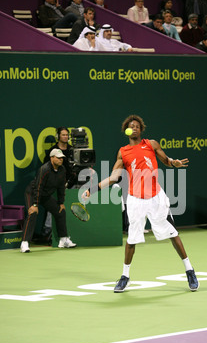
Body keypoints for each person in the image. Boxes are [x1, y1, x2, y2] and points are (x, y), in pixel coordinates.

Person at [82, 115, 199, 293]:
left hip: (156, 197)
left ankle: (189, 270)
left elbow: (166, 160)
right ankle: (125, 277)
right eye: (131, 126)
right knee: (132, 239)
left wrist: (173, 163)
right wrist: (93, 189)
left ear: (141, 129)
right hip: (136, 200)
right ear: (126, 130)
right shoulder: (123, 152)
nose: (134, 128)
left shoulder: (151, 144)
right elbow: (114, 177)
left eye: (137, 126)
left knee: (172, 234)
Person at [20, 148, 76, 253]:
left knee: (60, 211)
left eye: (62, 158)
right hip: (32, 193)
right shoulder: (44, 169)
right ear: (52, 158)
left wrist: (61, 202)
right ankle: (25, 243)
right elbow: (38, 187)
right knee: (32, 213)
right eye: (58, 158)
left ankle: (63, 239)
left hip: (45, 195)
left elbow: (61, 188)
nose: (61, 160)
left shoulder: (62, 170)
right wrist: (35, 204)